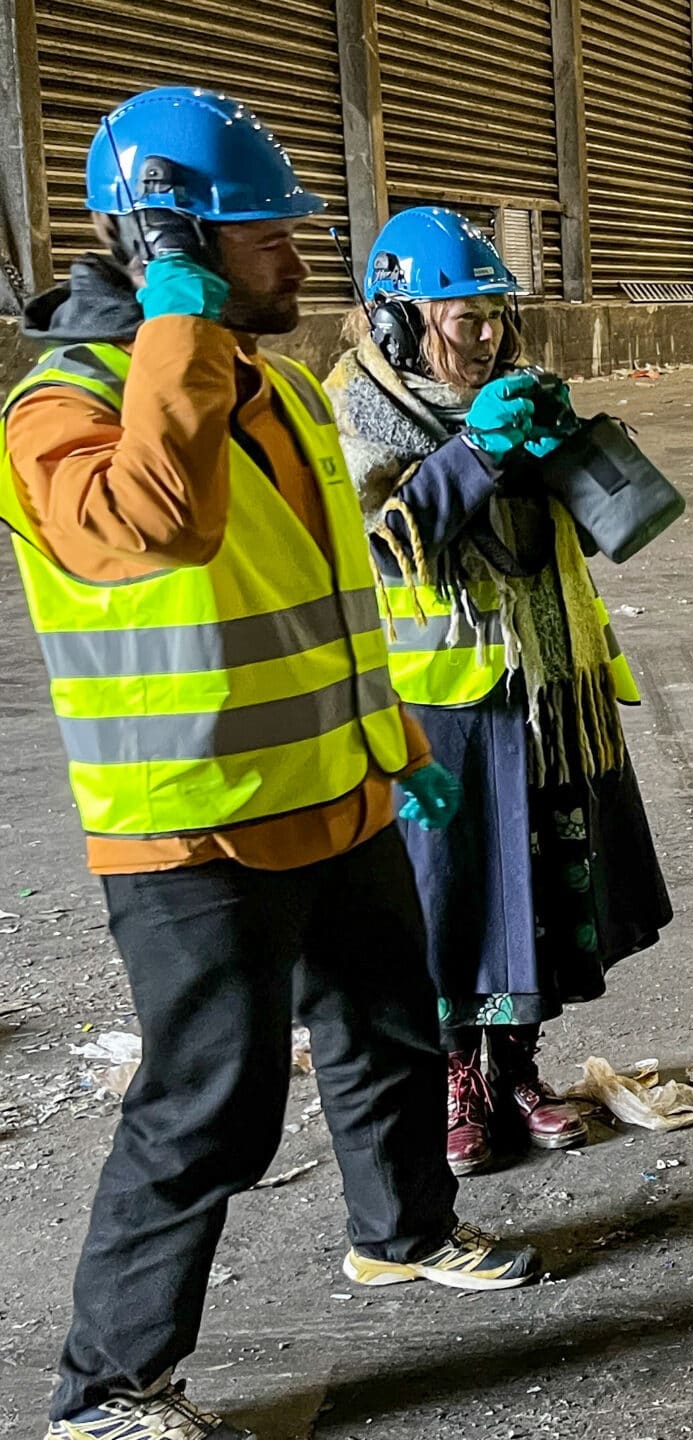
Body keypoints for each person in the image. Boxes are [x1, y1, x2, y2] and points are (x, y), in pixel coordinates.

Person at [3, 87, 538, 1440]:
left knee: (387, 1035)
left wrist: (392, 744)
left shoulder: (277, 390)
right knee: (208, 1111)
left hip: (336, 793)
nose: (298, 264)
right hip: (193, 828)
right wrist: (176, 321)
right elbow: (160, 521)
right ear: (166, 238)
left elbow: (338, 597)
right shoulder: (57, 412)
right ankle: (108, 1391)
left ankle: (402, 1232)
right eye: (262, 241)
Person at [326, 205, 671, 1176]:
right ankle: (454, 1082)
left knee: (538, 888)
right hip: (443, 706)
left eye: (492, 315)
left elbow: (630, 522)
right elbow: (376, 546)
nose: (483, 336)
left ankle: (517, 1065)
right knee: (453, 902)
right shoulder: (353, 411)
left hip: (546, 691)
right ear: (396, 319)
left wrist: (571, 444)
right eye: (459, 316)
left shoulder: (512, 392)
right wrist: (471, 456)